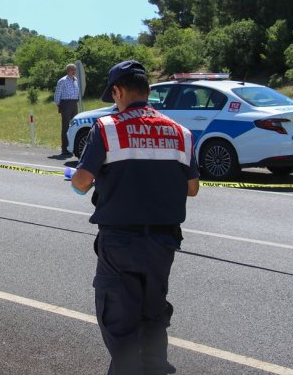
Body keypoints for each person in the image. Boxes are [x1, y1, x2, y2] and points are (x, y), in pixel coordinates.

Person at [71, 60, 200, 375]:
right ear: (147, 90)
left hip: (120, 241)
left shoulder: (107, 127)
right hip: (163, 243)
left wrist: (77, 176)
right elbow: (192, 188)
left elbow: (82, 181)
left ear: (118, 91)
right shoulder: (180, 132)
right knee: (153, 316)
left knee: (119, 322)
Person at [54, 63, 80, 156]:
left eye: (75, 70)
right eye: (72, 69)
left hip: (74, 103)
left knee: (74, 125)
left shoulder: (76, 80)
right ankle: (64, 148)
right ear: (68, 70)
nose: (74, 71)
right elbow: (57, 93)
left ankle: (71, 147)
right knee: (65, 126)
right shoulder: (63, 80)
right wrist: (60, 105)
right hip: (66, 104)